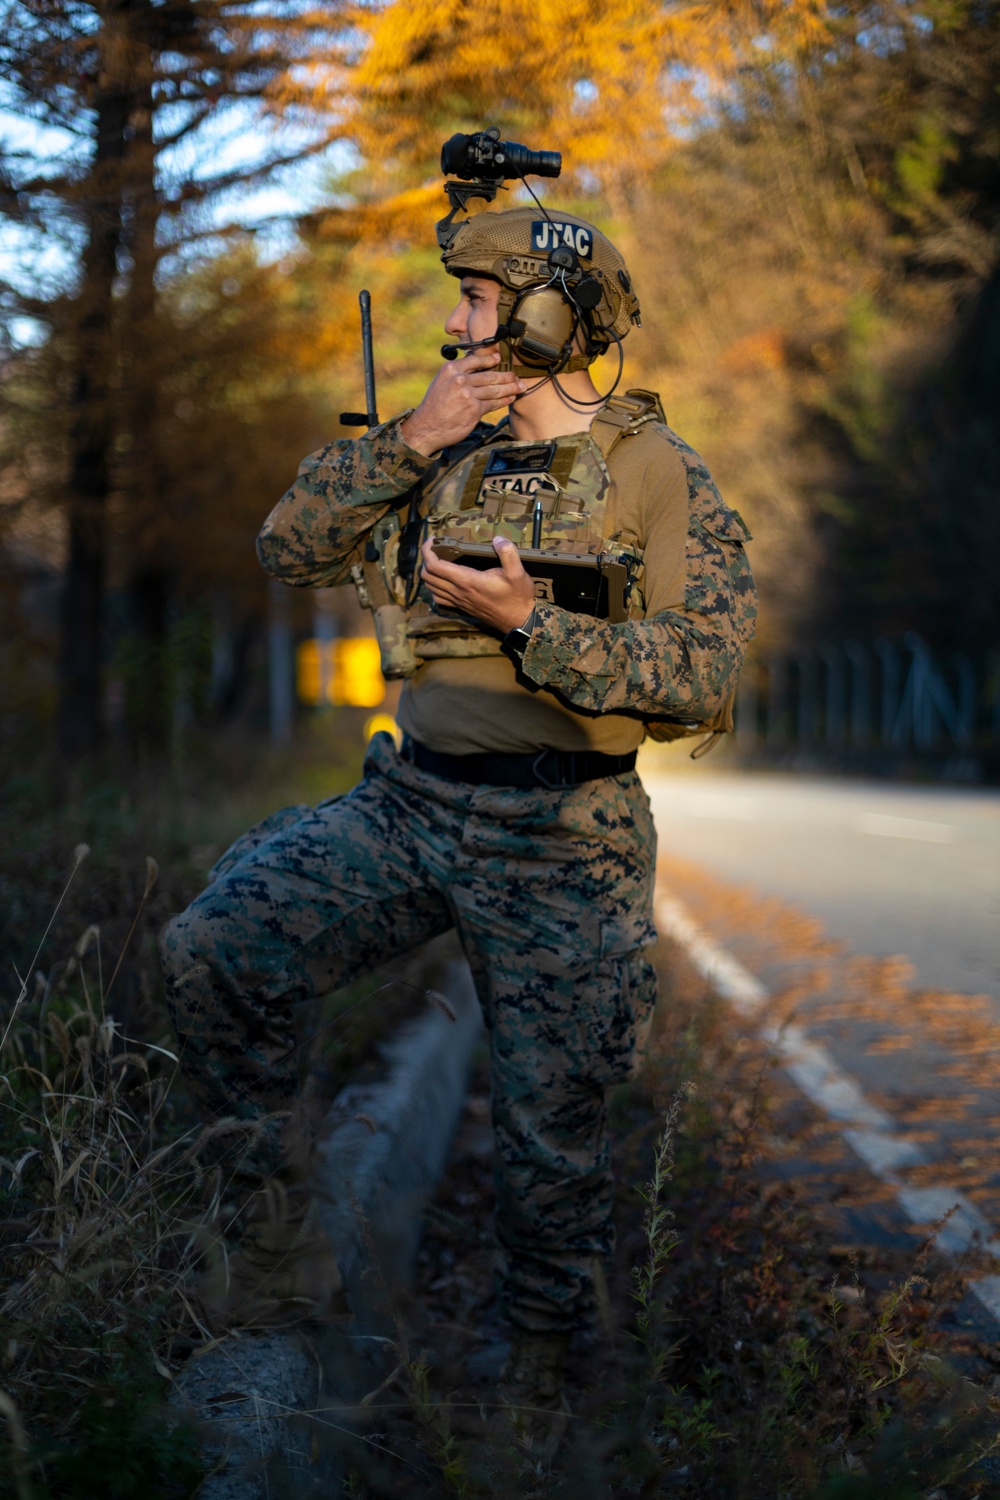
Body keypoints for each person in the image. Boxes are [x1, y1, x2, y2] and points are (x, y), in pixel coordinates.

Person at [160, 200, 756, 1457]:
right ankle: (276, 1265)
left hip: (567, 831)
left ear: (547, 317)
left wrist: (529, 625)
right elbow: (286, 545)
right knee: (220, 948)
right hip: (411, 805)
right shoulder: (443, 449)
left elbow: (701, 676)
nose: (453, 322)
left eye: (478, 302)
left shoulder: (657, 472)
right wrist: (408, 436)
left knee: (554, 1141)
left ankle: (534, 1386)